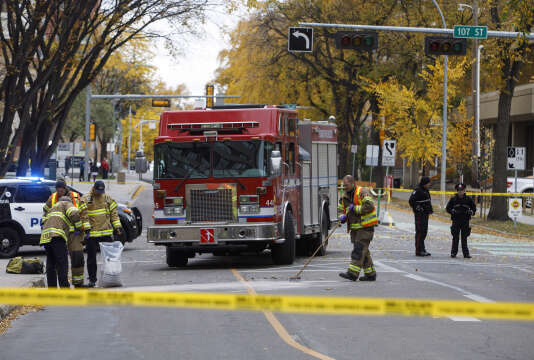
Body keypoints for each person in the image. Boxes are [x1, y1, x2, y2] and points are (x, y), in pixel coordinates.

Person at [43, 179, 89, 288]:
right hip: (59, 234)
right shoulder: (52, 198)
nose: (59, 190)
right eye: (58, 188)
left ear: (65, 188)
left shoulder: (75, 197)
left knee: (77, 256)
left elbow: (83, 213)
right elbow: (46, 212)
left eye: (61, 188)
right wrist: (44, 223)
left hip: (74, 233)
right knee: (59, 261)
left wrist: (86, 229)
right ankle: (61, 286)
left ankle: (78, 283)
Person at [81, 180, 123, 287]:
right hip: (92, 234)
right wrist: (86, 229)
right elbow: (83, 215)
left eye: (102, 191)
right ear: (93, 189)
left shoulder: (108, 198)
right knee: (91, 259)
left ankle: (110, 278)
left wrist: (117, 227)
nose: (100, 193)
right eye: (98, 191)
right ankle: (92, 280)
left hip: (106, 232)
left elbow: (114, 214)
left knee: (110, 258)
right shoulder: (86, 199)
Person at [338, 175, 378, 281]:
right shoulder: (344, 196)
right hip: (355, 229)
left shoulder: (362, 192)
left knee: (359, 250)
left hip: (366, 227)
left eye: (346, 185)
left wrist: (355, 208)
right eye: (343, 186)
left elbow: (370, 205)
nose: (344, 188)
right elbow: (341, 209)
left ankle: (352, 273)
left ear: (352, 183)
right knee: (364, 251)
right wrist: (341, 216)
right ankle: (370, 274)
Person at [40, 196, 82, 288]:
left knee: (51, 263)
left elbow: (43, 220)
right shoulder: (66, 203)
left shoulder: (53, 207)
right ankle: (64, 287)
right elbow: (74, 212)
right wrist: (78, 226)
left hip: (46, 237)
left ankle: (52, 288)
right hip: (57, 236)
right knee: (62, 263)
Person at [446, 183, 476, 258]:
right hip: (456, 220)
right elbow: (448, 208)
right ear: (457, 191)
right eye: (459, 190)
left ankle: (466, 253)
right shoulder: (453, 199)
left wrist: (471, 212)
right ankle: (453, 253)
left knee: (464, 237)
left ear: (464, 190)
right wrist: (452, 211)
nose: (460, 192)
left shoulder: (468, 199)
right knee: (455, 237)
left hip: (465, 220)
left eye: (462, 190)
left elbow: (474, 208)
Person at [409, 176, 433, 256]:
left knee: (424, 232)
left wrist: (429, 210)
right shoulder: (418, 190)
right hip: (420, 214)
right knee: (420, 231)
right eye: (428, 182)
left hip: (425, 214)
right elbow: (411, 201)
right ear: (425, 183)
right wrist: (418, 208)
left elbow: (427, 201)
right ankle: (418, 250)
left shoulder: (426, 190)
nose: (430, 184)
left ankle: (422, 248)